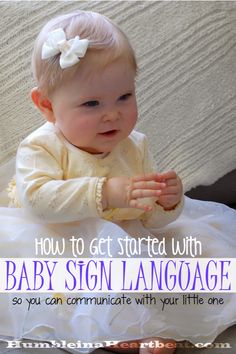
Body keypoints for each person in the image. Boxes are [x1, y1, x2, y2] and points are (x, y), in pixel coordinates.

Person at [0, 9, 235, 354]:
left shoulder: (134, 144)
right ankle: (122, 337)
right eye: (92, 103)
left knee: (193, 257)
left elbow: (148, 218)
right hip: (61, 242)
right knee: (84, 279)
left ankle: (161, 322)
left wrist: (165, 204)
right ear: (47, 106)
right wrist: (105, 191)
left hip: (127, 238)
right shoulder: (42, 146)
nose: (113, 113)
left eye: (124, 97)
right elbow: (37, 199)